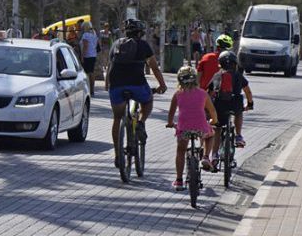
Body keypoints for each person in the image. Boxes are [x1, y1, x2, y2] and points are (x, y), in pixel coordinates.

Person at [108, 19, 168, 170]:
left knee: (117, 118)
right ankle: (141, 122)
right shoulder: (143, 45)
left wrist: (107, 84)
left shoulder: (116, 44)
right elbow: (154, 67)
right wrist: (162, 85)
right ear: (140, 33)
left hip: (116, 85)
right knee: (147, 101)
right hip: (137, 84)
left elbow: (110, 65)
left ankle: (117, 155)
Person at [166, 66, 218, 190]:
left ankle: (179, 180)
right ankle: (205, 157)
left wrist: (170, 123)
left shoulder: (178, 94)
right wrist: (213, 121)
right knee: (211, 135)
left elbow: (171, 113)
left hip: (184, 128)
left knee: (180, 151)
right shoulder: (203, 93)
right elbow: (212, 112)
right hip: (201, 127)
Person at [208, 51, 254, 166]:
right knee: (238, 113)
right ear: (235, 63)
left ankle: (214, 155)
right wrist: (250, 104)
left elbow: (209, 93)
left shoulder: (217, 75)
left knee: (217, 128)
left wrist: (207, 108)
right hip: (235, 104)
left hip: (220, 105)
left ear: (220, 63)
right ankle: (238, 136)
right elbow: (247, 91)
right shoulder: (239, 75)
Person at [78, 21, 99, 96]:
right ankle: (92, 90)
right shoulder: (94, 34)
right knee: (92, 72)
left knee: (86, 73)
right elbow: (96, 44)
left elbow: (85, 46)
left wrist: (82, 57)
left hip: (87, 56)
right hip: (93, 55)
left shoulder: (85, 35)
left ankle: (88, 90)